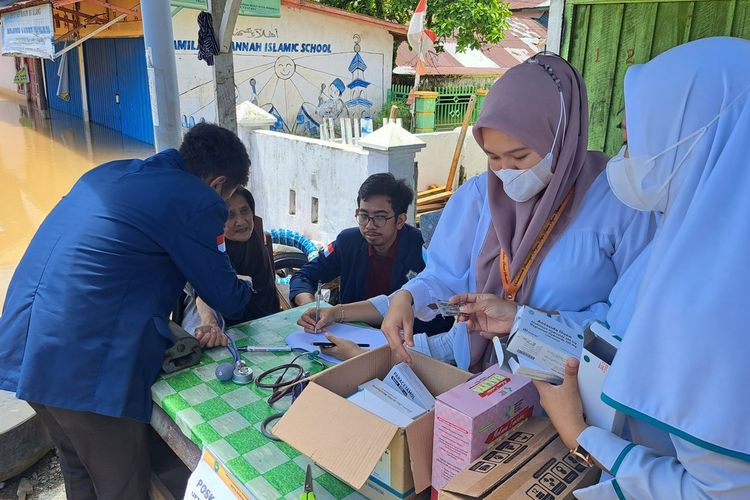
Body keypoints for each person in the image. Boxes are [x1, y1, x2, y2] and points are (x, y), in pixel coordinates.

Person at [456, 37, 750, 498]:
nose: (623, 158)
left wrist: (583, 437)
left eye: (635, 143)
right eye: (495, 159)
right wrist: (521, 320)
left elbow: (719, 491)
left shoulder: (714, 300)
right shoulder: (680, 247)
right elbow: (614, 337)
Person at [0, 123, 254, 500]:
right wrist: (245, 285)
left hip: (27, 341)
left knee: (77, 467)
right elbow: (228, 297)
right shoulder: (195, 199)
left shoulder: (110, 172)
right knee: (123, 486)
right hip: (83, 363)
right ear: (218, 184)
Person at [377, 53, 655, 370]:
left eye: (520, 156)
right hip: (481, 377)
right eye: (493, 157)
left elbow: (624, 321)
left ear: (561, 137)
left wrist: (525, 320)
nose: (506, 172)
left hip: (563, 389)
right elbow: (445, 274)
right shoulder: (481, 195)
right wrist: (408, 298)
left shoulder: (618, 202)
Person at [291, 173, 452, 336]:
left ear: (400, 220)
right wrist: (311, 309)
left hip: (407, 344)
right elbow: (303, 277)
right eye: (363, 216)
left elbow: (441, 315)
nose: (369, 225)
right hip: (350, 336)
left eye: (380, 217)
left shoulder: (423, 249)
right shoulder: (348, 242)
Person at [180, 188, 279, 347]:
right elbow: (204, 292)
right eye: (229, 215)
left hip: (262, 323)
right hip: (224, 326)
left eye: (245, 211)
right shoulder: (211, 249)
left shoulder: (255, 245)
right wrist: (210, 323)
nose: (240, 221)